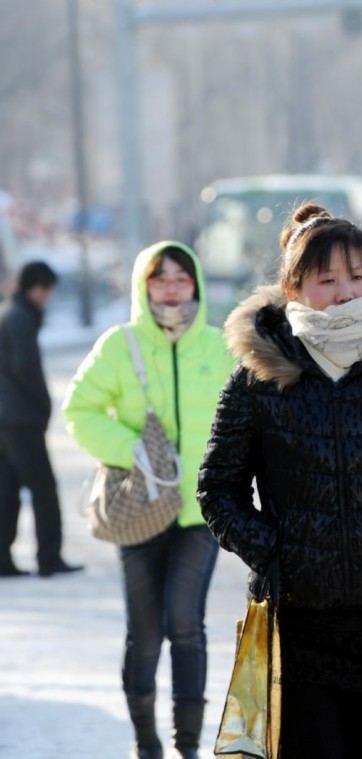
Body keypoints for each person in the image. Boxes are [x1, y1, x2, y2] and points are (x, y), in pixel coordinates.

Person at [197, 204, 362, 759]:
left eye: (358, 276)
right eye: (328, 280)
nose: (346, 291)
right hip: (296, 618)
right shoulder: (259, 378)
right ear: (294, 290)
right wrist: (274, 550)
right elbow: (218, 489)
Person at [63, 241, 234, 759]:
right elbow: (80, 409)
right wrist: (130, 449)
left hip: (199, 511)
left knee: (185, 623)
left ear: (196, 285)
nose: (172, 287)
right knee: (144, 631)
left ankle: (187, 746)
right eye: (161, 279)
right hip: (139, 507)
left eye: (182, 278)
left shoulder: (219, 346)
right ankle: (146, 742)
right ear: (144, 286)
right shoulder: (121, 345)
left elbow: (253, 416)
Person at [0, 260, 84, 578]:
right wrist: (43, 404)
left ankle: (2, 559)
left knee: (6, 490)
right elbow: (25, 369)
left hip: (6, 417)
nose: (48, 298)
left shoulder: (9, 312)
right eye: (47, 290)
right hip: (21, 419)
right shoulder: (21, 317)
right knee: (44, 489)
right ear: (36, 287)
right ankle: (49, 558)